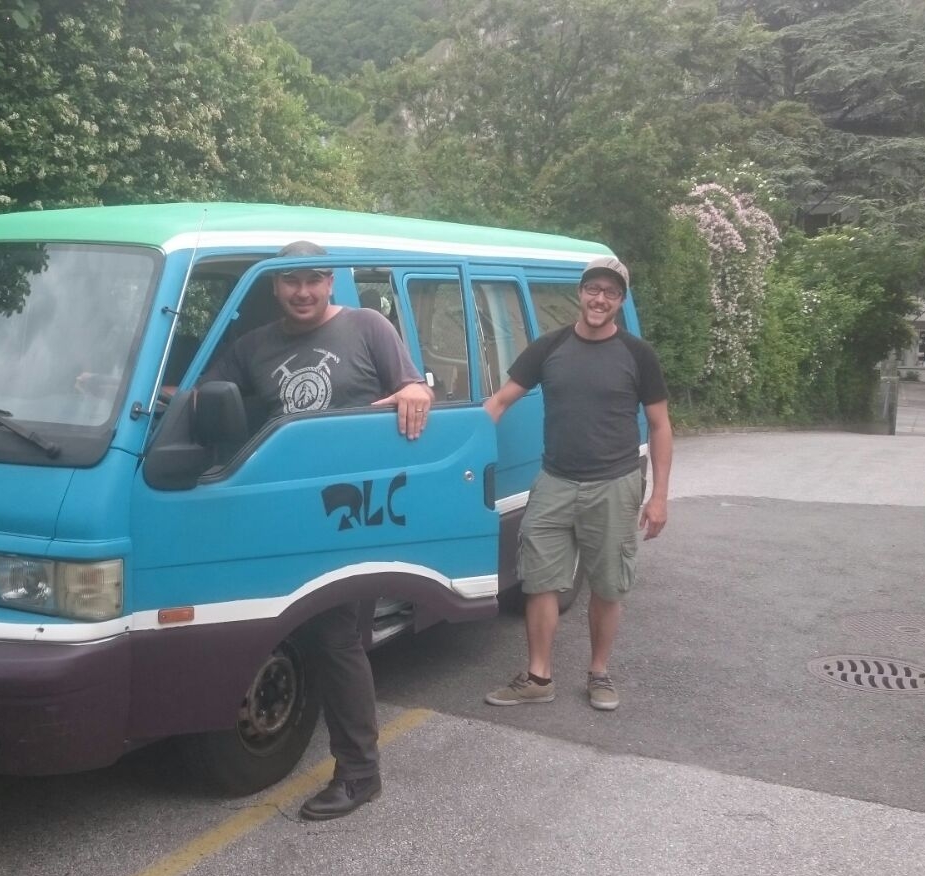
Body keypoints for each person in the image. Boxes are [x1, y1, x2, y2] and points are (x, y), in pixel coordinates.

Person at [203, 240, 434, 820]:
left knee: (335, 634)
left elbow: (415, 388)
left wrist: (415, 391)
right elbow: (201, 394)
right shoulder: (253, 346)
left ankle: (360, 774)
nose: (302, 292)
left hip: (349, 512)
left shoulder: (367, 326)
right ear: (275, 287)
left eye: (314, 280)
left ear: (331, 281)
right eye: (291, 282)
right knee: (288, 622)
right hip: (281, 506)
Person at [481, 257, 671, 712]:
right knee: (540, 581)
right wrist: (457, 447)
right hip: (554, 482)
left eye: (610, 292)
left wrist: (659, 495)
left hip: (614, 483)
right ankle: (538, 676)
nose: (599, 299)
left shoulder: (637, 354)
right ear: (580, 294)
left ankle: (599, 673)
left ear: (620, 301)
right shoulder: (549, 347)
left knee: (608, 586)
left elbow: (660, 426)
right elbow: (502, 400)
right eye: (592, 289)